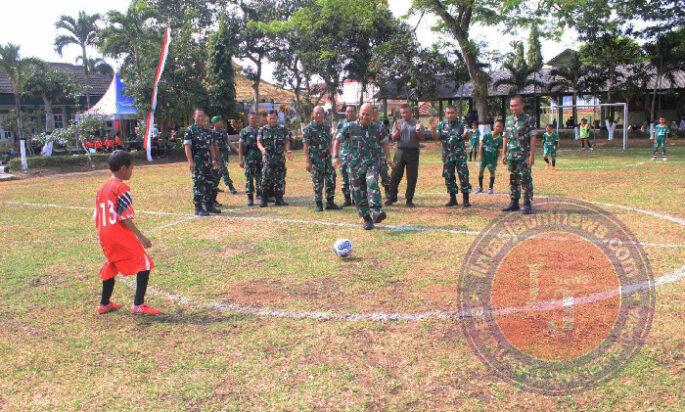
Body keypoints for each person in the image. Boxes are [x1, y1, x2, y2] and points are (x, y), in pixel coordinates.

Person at [94, 150, 160, 316]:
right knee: (144, 263)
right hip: (117, 233)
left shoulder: (101, 189)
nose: (132, 171)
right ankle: (138, 305)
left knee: (113, 262)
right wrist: (141, 236)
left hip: (104, 232)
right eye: (131, 168)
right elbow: (125, 217)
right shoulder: (122, 187)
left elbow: (96, 216)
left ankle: (104, 303)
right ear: (123, 168)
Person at [333, 103, 394, 230]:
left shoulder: (378, 128)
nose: (365, 116)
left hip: (372, 162)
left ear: (373, 115)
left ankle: (376, 210)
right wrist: (335, 157)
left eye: (368, 114)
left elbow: (384, 143)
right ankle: (367, 218)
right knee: (357, 193)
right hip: (354, 166)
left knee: (372, 181)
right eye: (363, 114)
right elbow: (337, 141)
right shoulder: (350, 126)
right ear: (359, 114)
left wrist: (388, 158)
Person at [429, 105, 472, 207]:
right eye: (448, 113)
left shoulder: (462, 124)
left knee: (464, 177)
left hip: (460, 156)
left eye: (452, 112)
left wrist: (467, 134)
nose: (450, 114)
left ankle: (466, 200)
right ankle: (453, 199)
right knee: (449, 177)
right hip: (447, 156)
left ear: (456, 113)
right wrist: (433, 129)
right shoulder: (442, 125)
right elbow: (436, 137)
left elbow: (469, 136)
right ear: (445, 114)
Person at [502, 96, 537, 215]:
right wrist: (503, 153)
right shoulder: (508, 119)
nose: (514, 108)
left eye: (516, 105)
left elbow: (533, 137)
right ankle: (514, 203)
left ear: (522, 105)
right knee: (513, 179)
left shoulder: (528, 119)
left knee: (525, 179)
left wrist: (531, 155)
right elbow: (505, 136)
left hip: (523, 155)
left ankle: (527, 204)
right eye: (512, 106)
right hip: (511, 155)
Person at [386, 104, 426, 208]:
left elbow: (422, 138)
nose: (405, 114)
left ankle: (409, 199)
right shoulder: (398, 123)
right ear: (401, 113)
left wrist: (418, 131)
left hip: (413, 152)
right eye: (403, 112)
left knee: (412, 177)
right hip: (400, 152)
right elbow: (393, 138)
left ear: (411, 112)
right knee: (395, 175)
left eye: (407, 112)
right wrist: (398, 131)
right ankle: (391, 197)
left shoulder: (417, 123)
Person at [303, 106, 341, 212]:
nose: (319, 115)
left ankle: (330, 202)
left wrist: (334, 156)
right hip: (315, 160)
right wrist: (307, 161)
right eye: (317, 113)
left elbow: (331, 143)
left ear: (324, 115)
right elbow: (306, 146)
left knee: (331, 180)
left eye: (321, 113)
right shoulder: (308, 129)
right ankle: (319, 204)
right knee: (317, 182)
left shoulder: (327, 127)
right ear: (313, 115)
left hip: (327, 159)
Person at [184, 108, 221, 216]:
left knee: (209, 183)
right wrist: (190, 162)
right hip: (197, 162)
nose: (200, 118)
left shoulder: (207, 131)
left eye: (202, 116)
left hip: (208, 162)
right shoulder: (190, 130)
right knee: (199, 184)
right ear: (194, 117)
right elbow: (187, 147)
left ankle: (209, 205)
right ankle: (198, 208)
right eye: (198, 116)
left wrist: (214, 158)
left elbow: (211, 146)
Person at [257, 110, 293, 207]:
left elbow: (287, 141)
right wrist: (262, 149)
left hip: (279, 158)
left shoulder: (283, 129)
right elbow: (258, 142)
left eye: (274, 118)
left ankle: (279, 199)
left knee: (280, 179)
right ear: (267, 118)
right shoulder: (262, 130)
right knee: (265, 178)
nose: (272, 120)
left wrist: (288, 150)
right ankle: (263, 199)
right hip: (267, 158)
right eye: (270, 118)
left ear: (277, 118)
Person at [239, 112, 263, 207]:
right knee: (249, 178)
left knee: (260, 178)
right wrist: (240, 159)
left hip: (259, 157)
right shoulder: (244, 131)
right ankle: (250, 198)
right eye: (252, 118)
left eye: (255, 118)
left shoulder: (260, 130)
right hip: (249, 157)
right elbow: (241, 146)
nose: (254, 120)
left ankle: (260, 195)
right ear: (248, 119)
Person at [210, 115, 239, 195]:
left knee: (219, 171)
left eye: (221, 120)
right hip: (217, 153)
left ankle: (213, 187)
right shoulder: (212, 133)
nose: (221, 122)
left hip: (224, 153)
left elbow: (228, 142)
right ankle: (230, 186)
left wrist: (236, 149)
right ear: (215, 123)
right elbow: (211, 145)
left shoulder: (223, 131)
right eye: (219, 121)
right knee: (223, 169)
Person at [335, 106, 357, 207]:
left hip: (356, 156)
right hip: (344, 155)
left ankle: (356, 199)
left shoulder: (359, 124)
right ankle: (347, 199)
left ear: (356, 113)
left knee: (355, 178)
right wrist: (335, 155)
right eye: (347, 112)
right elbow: (336, 139)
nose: (349, 114)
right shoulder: (341, 123)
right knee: (345, 178)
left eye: (352, 112)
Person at [476, 119, 504, 194]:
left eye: (500, 127)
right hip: (484, 157)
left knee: (492, 172)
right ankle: (480, 187)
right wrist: (480, 155)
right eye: (497, 126)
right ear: (493, 126)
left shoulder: (500, 139)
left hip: (492, 158)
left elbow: (498, 150)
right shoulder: (487, 135)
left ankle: (490, 188)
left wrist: (496, 160)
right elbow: (481, 145)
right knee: (480, 171)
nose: (498, 128)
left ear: (502, 129)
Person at [372, 106, 392, 201]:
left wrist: (388, 157)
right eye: (373, 113)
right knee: (372, 177)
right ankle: (373, 196)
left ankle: (388, 193)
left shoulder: (381, 126)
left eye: (376, 113)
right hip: (369, 156)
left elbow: (385, 142)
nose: (374, 115)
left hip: (380, 155)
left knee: (384, 174)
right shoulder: (365, 125)